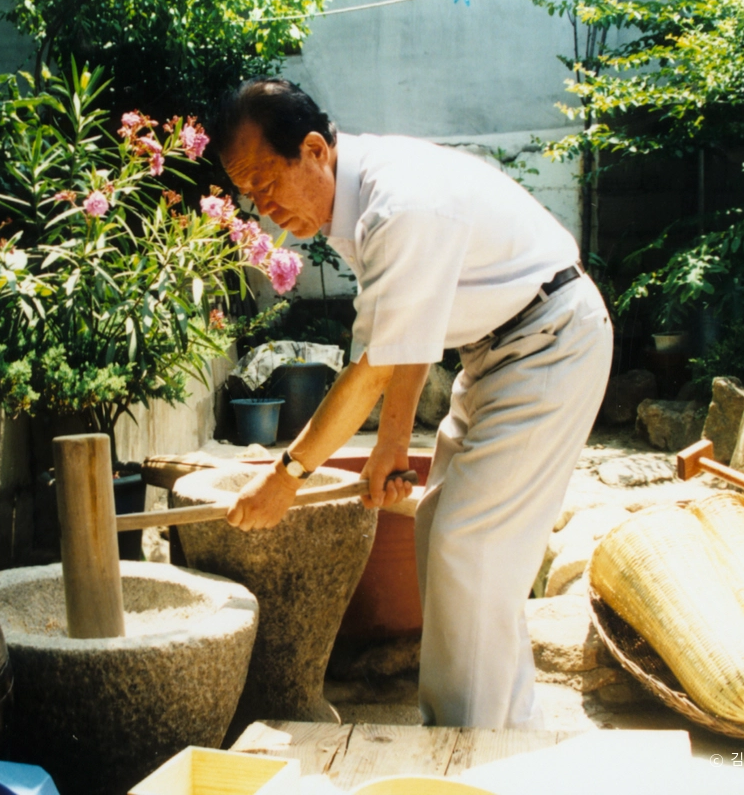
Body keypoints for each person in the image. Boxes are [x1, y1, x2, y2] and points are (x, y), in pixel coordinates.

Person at [213, 78, 613, 729]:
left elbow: (371, 370)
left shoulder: (398, 206)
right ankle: (506, 735)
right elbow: (405, 334)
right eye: (249, 195)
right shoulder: (353, 195)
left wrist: (286, 477)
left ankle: (465, 754)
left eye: (266, 183)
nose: (263, 209)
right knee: (441, 534)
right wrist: (392, 445)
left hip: (550, 345)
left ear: (313, 150)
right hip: (496, 354)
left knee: (470, 548)